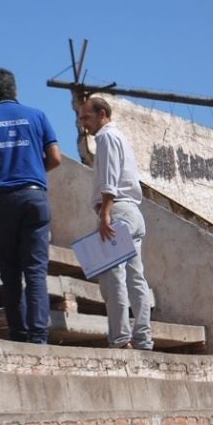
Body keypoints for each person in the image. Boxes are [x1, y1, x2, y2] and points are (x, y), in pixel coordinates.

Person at [0, 68, 62, 344]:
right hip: (35, 198)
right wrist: (32, 172)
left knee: (10, 273)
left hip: (2, 200)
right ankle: (39, 337)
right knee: (36, 271)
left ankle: (19, 335)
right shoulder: (38, 116)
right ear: (15, 91)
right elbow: (55, 157)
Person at [78, 96, 153, 350]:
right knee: (135, 278)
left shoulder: (106, 137)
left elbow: (110, 180)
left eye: (86, 117)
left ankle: (120, 339)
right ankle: (143, 338)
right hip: (131, 212)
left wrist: (105, 214)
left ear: (102, 114)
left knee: (114, 277)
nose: (83, 123)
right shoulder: (119, 136)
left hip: (117, 211)